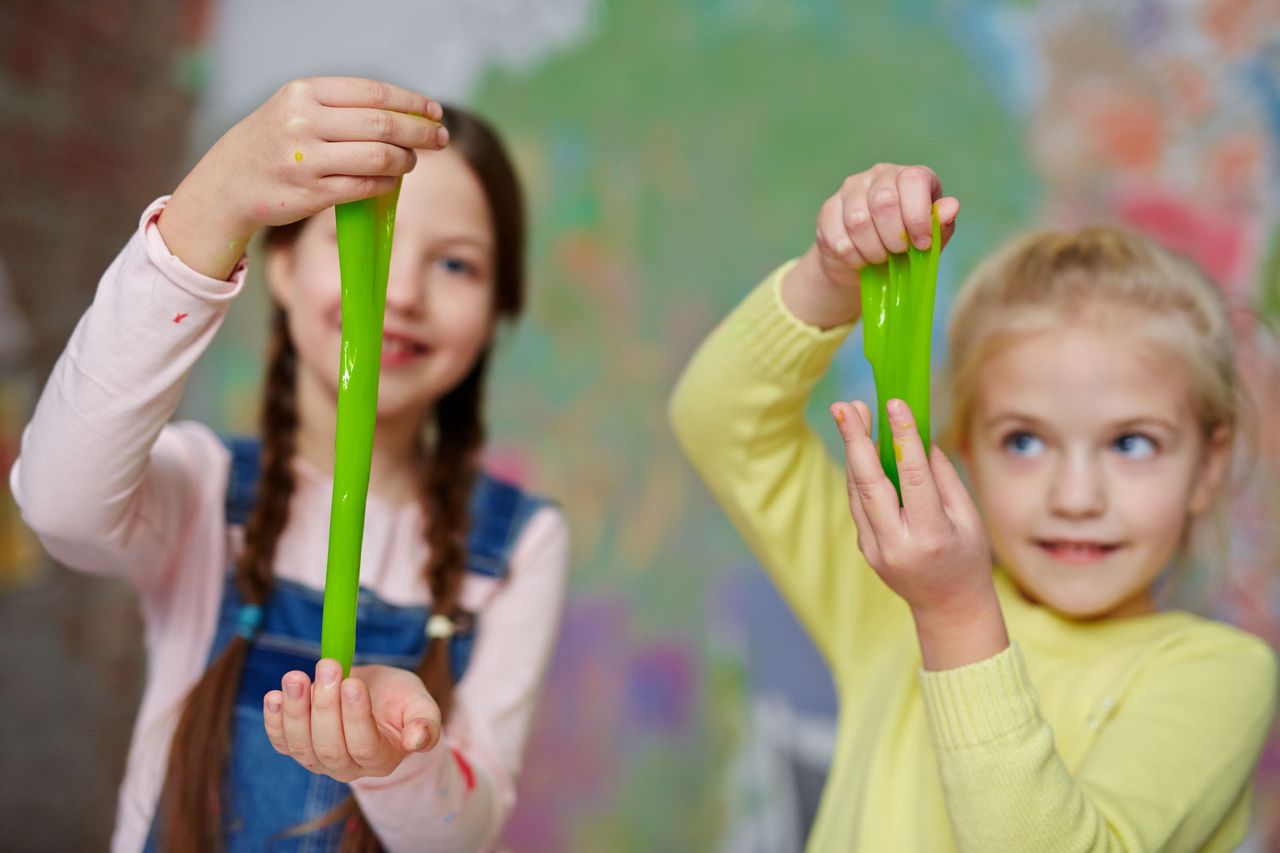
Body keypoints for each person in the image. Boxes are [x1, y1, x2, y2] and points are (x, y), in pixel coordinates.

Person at [11, 77, 569, 852]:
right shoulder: (201, 490)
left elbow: (462, 835)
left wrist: (398, 761)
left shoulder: (521, 547)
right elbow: (55, 504)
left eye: (456, 265)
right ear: (278, 264)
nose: (399, 291)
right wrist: (217, 201)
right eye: (361, 238)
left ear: (499, 310)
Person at [669, 162, 1276, 851]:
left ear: (1208, 467)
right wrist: (827, 281)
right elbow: (719, 420)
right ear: (964, 452)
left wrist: (955, 613)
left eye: (1132, 443)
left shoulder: (1216, 674)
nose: (1076, 497)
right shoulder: (887, 598)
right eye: (1023, 440)